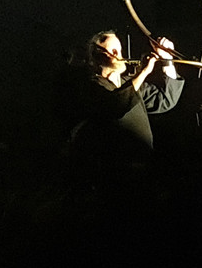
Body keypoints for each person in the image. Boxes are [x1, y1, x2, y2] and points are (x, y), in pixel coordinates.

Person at [64, 31, 184, 173]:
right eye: (113, 50)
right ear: (97, 56)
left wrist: (167, 60)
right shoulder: (92, 86)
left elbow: (165, 100)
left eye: (120, 50)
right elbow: (116, 105)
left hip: (143, 167)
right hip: (115, 169)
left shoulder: (130, 83)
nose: (119, 54)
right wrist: (143, 72)